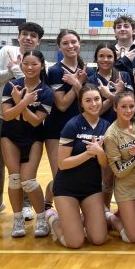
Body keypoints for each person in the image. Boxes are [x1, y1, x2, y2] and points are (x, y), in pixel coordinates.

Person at [0, 22, 44, 221]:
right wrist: (11, 71)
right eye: (24, 34)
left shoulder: (39, 61)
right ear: (19, 36)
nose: (28, 38)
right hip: (3, 116)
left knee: (24, 166)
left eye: (32, 36)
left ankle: (26, 204)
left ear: (38, 41)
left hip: (28, 120)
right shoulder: (6, 51)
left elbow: (32, 84)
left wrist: (18, 70)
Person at [45, 85, 111, 248]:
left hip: (91, 189)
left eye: (97, 99)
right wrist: (88, 154)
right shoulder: (72, 125)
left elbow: (104, 163)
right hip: (67, 189)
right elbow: (62, 163)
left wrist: (99, 152)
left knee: (98, 239)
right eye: (88, 100)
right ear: (81, 104)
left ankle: (78, 219)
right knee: (75, 242)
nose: (94, 104)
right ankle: (52, 218)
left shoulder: (107, 126)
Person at [1, 50, 53, 238]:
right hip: (10, 136)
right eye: (26, 64)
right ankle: (18, 220)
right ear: (21, 65)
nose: (30, 68)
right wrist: (24, 102)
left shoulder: (46, 92)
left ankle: (41, 218)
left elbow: (35, 121)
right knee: (14, 178)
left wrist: (19, 104)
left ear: (42, 66)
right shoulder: (11, 86)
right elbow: (7, 116)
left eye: (34, 64)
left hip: (34, 137)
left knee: (28, 180)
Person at [45, 29, 91, 210]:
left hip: (81, 130)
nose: (70, 46)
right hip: (57, 130)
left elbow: (88, 102)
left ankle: (50, 202)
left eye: (73, 42)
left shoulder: (87, 70)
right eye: (65, 43)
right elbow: (62, 104)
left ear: (80, 44)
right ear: (59, 47)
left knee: (78, 175)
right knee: (60, 176)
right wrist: (77, 86)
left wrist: (79, 84)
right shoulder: (55, 71)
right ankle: (48, 206)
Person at [103, 91, 135, 243]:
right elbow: (118, 172)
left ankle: (132, 218)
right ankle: (112, 218)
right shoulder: (111, 135)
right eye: (123, 107)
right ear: (115, 108)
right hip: (126, 189)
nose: (128, 110)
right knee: (133, 238)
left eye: (131, 106)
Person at [87, 43, 133, 208]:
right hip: (101, 130)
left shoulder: (124, 76)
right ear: (96, 58)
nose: (105, 60)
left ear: (115, 58)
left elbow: (129, 105)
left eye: (109, 56)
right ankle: (104, 210)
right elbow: (94, 112)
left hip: (124, 130)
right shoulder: (90, 79)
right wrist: (112, 97)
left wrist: (113, 96)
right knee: (105, 175)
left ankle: (123, 210)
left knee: (124, 172)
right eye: (101, 56)